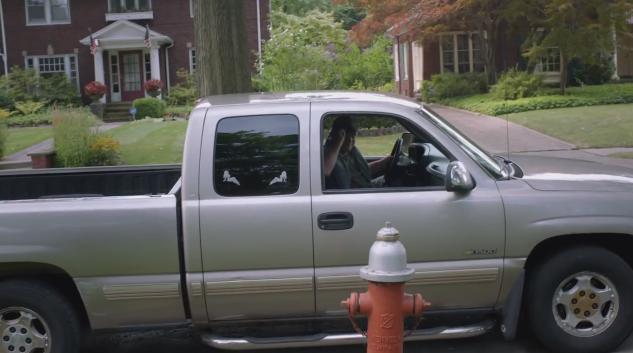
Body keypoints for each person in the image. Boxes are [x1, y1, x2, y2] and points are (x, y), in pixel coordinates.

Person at [323, 116, 392, 189]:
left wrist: (384, 162)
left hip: (368, 186)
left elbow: (364, 171)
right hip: (360, 193)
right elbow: (324, 172)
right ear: (340, 137)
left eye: (353, 137)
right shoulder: (330, 156)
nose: (352, 141)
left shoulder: (349, 153)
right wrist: (337, 143)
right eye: (349, 137)